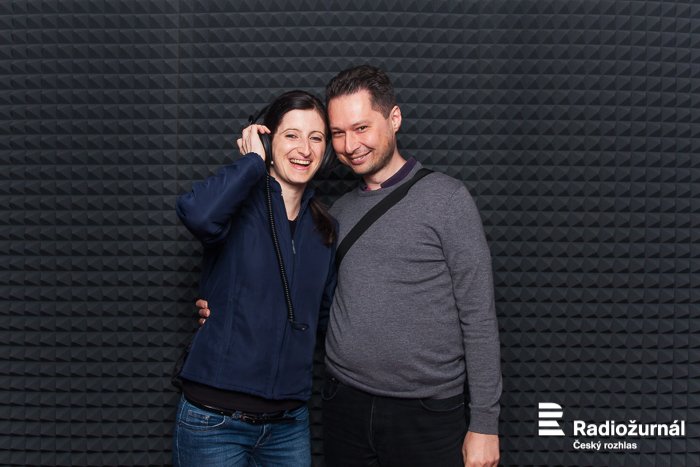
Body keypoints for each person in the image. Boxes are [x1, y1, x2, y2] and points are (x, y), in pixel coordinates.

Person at [199, 65, 502, 467]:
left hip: (427, 412)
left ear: (394, 118)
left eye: (361, 128)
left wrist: (484, 423)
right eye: (338, 133)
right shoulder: (335, 214)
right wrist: (221, 310)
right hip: (344, 405)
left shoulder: (447, 200)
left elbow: (478, 317)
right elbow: (300, 296)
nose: (350, 145)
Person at [173, 90, 337, 467]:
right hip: (214, 422)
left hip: (288, 426)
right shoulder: (234, 207)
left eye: (316, 138)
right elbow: (196, 214)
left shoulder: (325, 229)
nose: (305, 149)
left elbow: (329, 319)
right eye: (291, 135)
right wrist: (251, 163)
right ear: (267, 140)